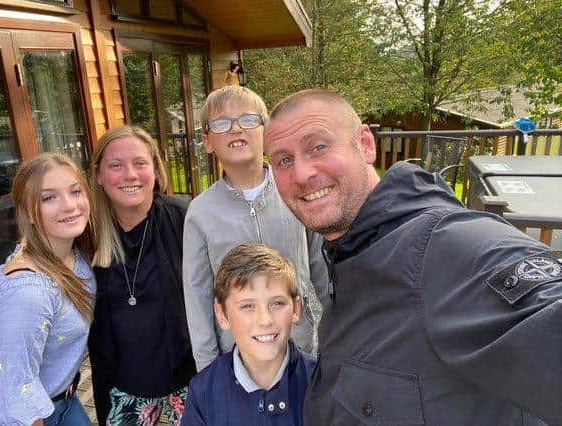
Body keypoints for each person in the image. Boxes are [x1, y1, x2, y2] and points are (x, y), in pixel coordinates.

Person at [265, 89, 562, 425]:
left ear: (365, 144)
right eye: (284, 160)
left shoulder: (446, 245)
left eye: (318, 147)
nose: (302, 174)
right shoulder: (349, 250)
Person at [183, 85, 328, 372]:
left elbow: (319, 265)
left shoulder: (295, 188)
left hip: (300, 343)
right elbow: (197, 294)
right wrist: (208, 368)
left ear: (265, 130)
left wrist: (330, 333)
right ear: (208, 140)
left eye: (248, 119)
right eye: (222, 123)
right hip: (238, 355)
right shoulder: (200, 212)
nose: (236, 129)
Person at [0, 153, 98, 426]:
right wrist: (0, 374)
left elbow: (9, 335)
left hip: (61, 401)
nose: (70, 205)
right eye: (49, 198)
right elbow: (17, 391)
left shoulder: (72, 255)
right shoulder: (29, 290)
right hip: (16, 416)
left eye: (75, 191)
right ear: (28, 213)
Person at [88, 125, 196, 426]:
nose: (129, 175)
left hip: (187, 385)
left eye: (139, 163)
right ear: (99, 175)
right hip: (121, 393)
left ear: (155, 169)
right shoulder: (86, 236)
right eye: (115, 166)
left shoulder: (186, 220)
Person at [182, 242, 314, 426]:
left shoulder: (320, 382)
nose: (265, 320)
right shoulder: (204, 391)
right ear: (222, 315)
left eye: (277, 303)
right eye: (247, 306)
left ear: (296, 309)